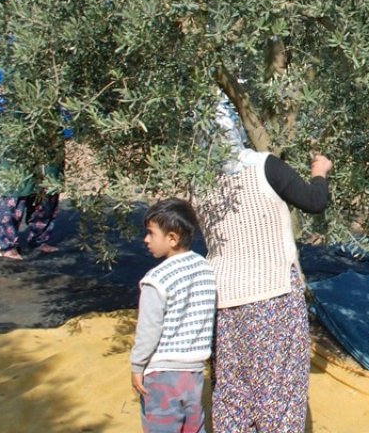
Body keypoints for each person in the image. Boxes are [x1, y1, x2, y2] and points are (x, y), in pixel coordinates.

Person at [195, 102, 332, 433]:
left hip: (224, 300)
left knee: (232, 391)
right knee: (278, 394)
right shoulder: (262, 166)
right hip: (274, 296)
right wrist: (320, 172)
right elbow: (314, 202)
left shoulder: (198, 182)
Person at [130, 198, 217, 433]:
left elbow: (149, 329)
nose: (145, 240)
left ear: (172, 238)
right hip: (194, 373)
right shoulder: (205, 269)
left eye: (150, 233)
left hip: (162, 375)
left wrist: (137, 366)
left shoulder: (156, 279)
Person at [0, 162, 63, 260]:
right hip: (16, 163)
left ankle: (39, 241)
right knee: (10, 205)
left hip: (46, 163)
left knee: (45, 204)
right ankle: (7, 247)